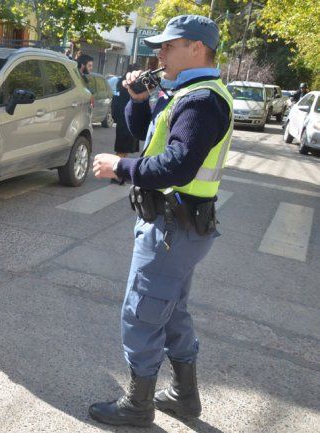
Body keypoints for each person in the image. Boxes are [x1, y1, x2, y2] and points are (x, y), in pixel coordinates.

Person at [89, 15, 233, 427]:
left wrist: (120, 167)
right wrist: (137, 100)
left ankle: (138, 405)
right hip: (180, 224)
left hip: (173, 225)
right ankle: (184, 397)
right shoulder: (186, 91)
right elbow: (144, 134)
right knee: (171, 311)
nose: (160, 54)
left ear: (196, 48)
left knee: (143, 312)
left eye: (169, 46)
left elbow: (177, 165)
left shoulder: (200, 100)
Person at [112, 63, 141, 159]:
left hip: (123, 118)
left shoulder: (121, 82)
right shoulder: (132, 83)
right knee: (123, 149)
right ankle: (115, 167)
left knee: (123, 148)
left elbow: (116, 100)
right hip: (128, 118)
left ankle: (118, 166)